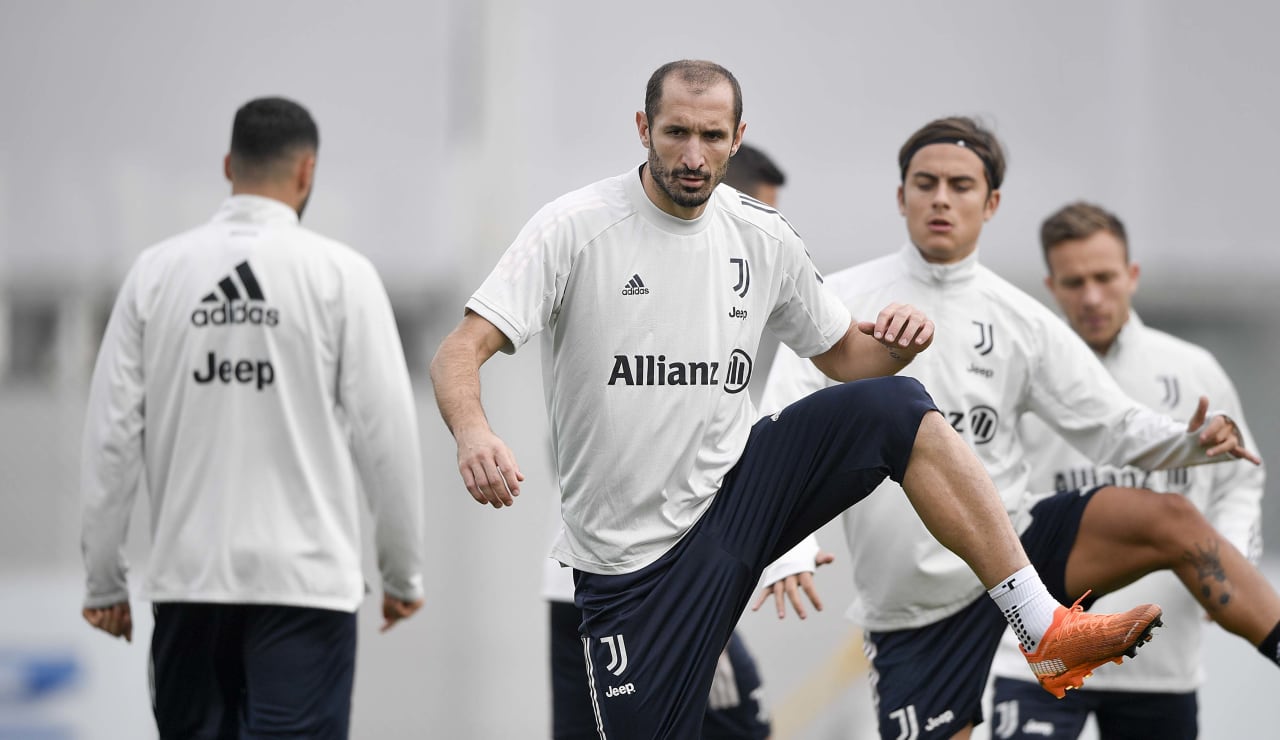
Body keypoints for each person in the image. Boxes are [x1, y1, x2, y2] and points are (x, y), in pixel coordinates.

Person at [429, 61, 1176, 739]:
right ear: (643, 129)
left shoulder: (762, 236)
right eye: (676, 133)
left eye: (711, 136)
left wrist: (896, 346)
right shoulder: (575, 228)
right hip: (631, 571)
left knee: (893, 403)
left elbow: (847, 355)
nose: (693, 155)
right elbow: (458, 352)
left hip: (733, 504)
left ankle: (1041, 626)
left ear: (737, 137)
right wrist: (474, 433)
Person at [759, 116, 1275, 740]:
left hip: (1022, 553)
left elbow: (1109, 425)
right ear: (901, 197)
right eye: (925, 183)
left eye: (960, 184)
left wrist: (1190, 442)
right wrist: (786, 546)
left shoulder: (1022, 320)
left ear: (991, 202)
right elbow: (776, 421)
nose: (942, 198)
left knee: (1171, 520)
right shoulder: (840, 302)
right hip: (914, 609)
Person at [79, 97, 425, 740]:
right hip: (305, 587)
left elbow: (110, 437)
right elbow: (388, 438)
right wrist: (400, 570)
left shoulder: (155, 274)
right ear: (306, 172)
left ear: (228, 166)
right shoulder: (342, 276)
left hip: (189, 582)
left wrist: (104, 580)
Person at [541, 142, 822, 739]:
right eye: (759, 214)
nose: (762, 240)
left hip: (579, 581)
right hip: (642, 586)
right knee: (741, 724)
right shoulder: (634, 272)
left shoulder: (698, 318)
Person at [985, 202, 1267, 739]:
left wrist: (1230, 561)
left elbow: (1241, 479)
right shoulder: (1021, 377)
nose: (1091, 297)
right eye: (1074, 282)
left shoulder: (1193, 369)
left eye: (1104, 277)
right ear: (1052, 284)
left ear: (1132, 276)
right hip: (1038, 660)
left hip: (1162, 666)